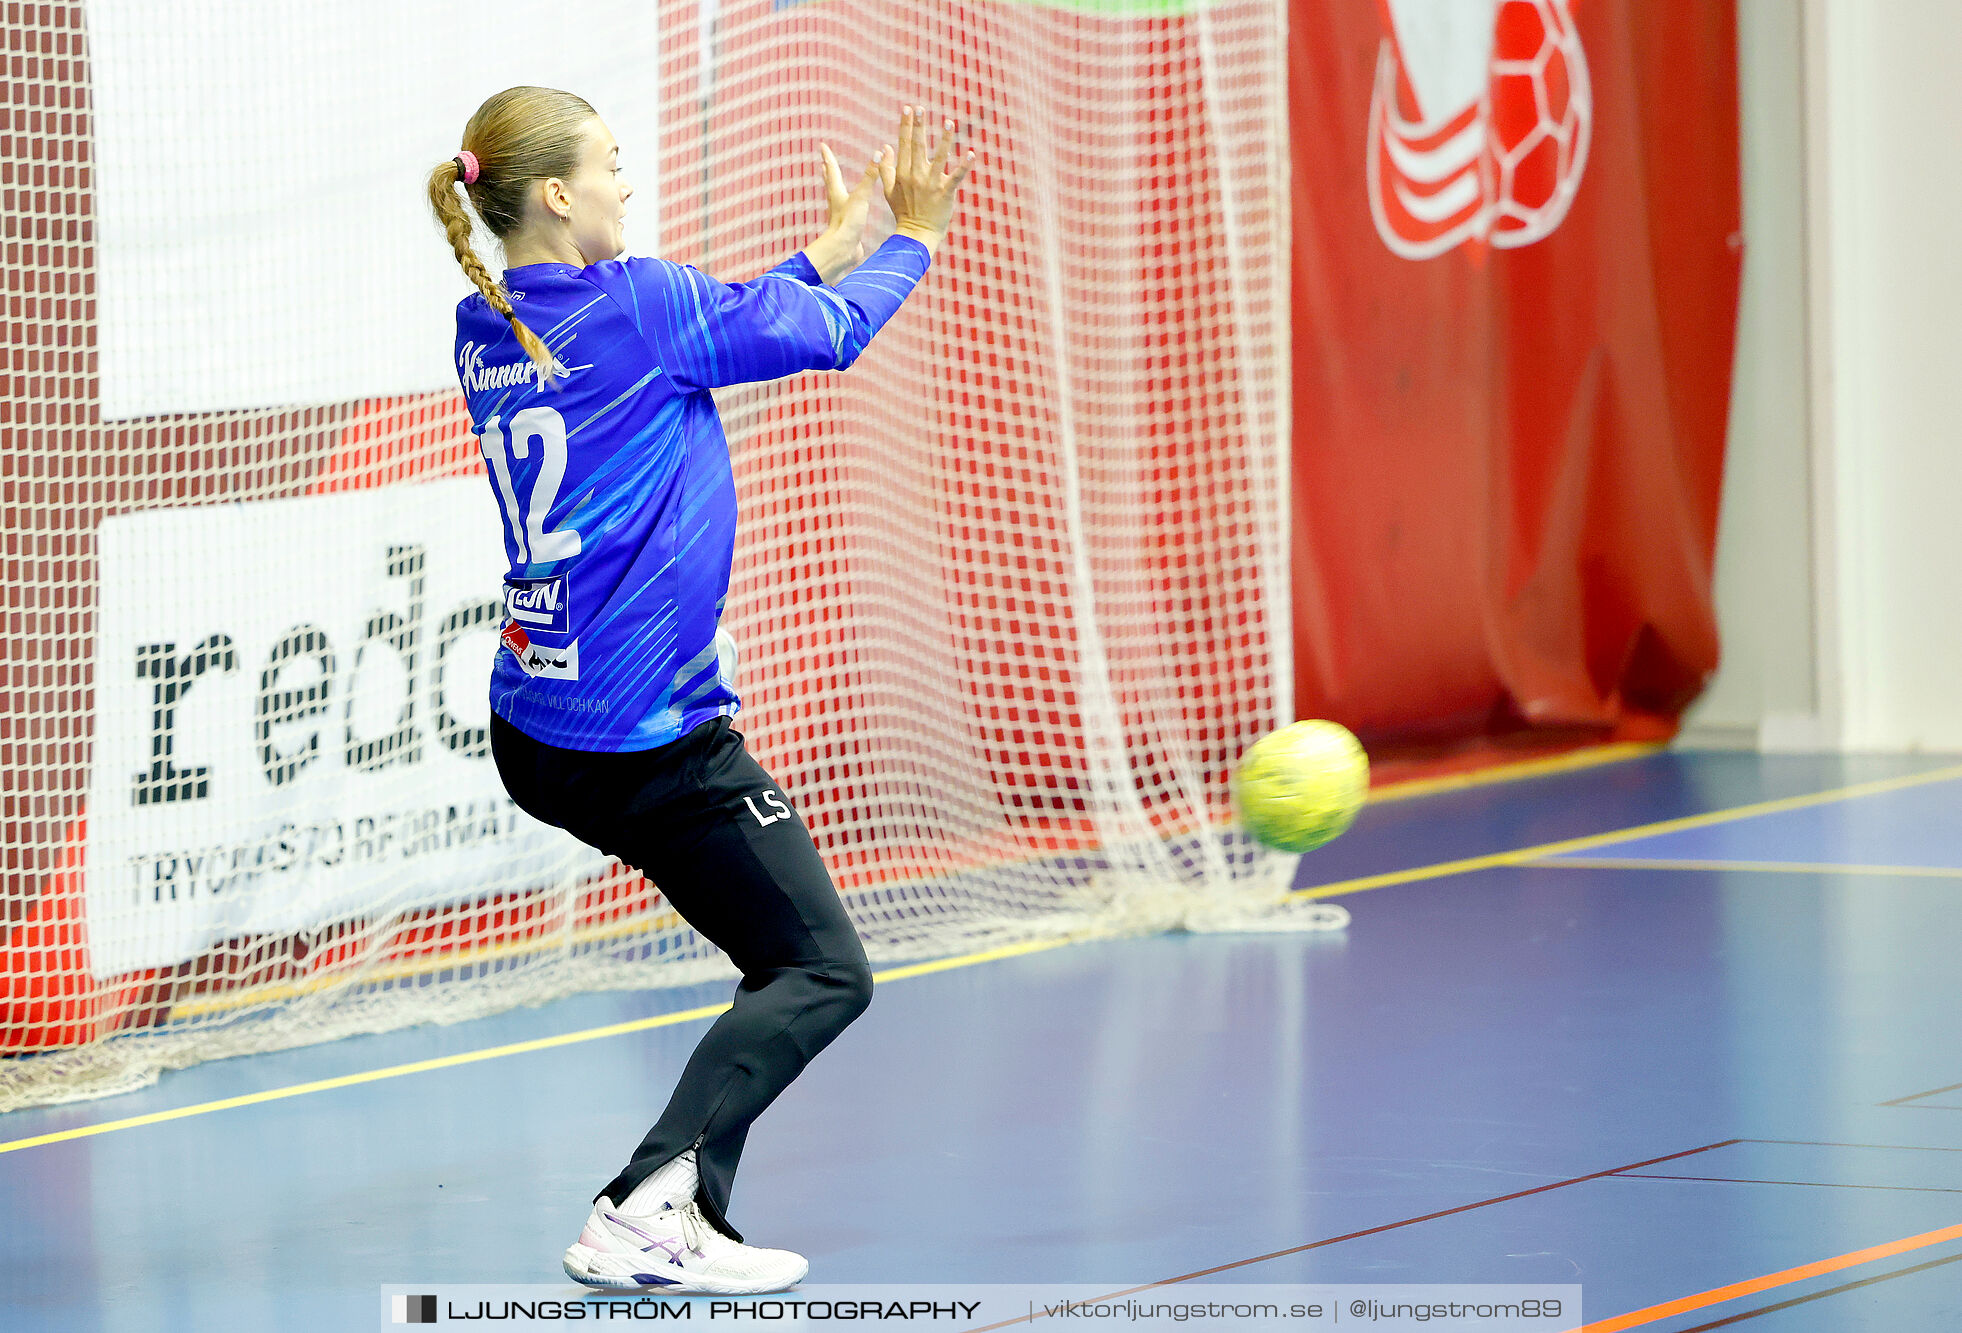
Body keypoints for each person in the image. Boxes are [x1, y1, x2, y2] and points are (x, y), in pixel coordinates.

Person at [426, 87, 972, 1293]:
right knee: (823, 969)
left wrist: (821, 253)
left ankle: (685, 1212)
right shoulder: (639, 301)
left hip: (538, 731)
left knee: (774, 957)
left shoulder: (488, 317)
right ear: (560, 194)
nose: (629, 183)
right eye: (612, 165)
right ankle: (637, 1211)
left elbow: (706, 329)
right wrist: (910, 239)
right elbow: (815, 336)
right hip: (649, 738)